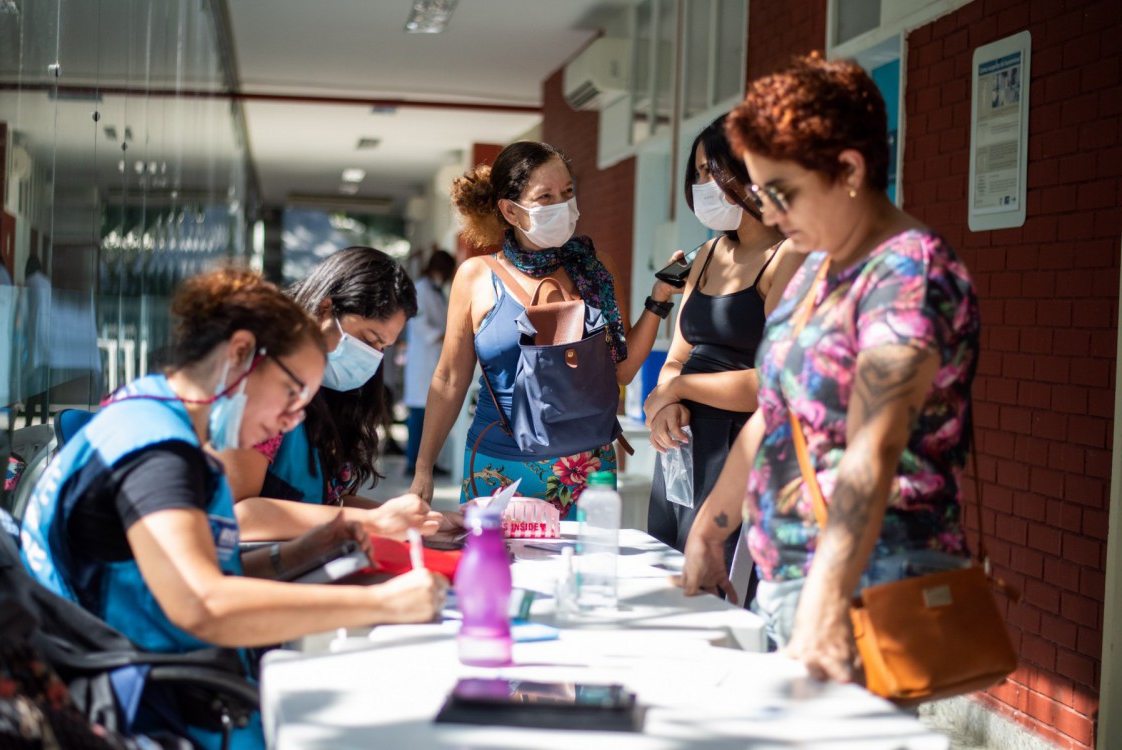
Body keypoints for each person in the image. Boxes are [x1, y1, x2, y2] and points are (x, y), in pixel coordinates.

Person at [20, 267, 446, 749]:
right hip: (149, 710)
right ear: (241, 353)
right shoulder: (153, 451)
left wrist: (307, 548)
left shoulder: (166, 428)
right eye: (290, 395)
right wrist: (383, 603)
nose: (290, 420)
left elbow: (211, 567)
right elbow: (203, 604)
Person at [679, 54, 980, 687]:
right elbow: (777, 410)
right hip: (798, 577)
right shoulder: (819, 269)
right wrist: (713, 523)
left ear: (848, 169)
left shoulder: (906, 274)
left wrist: (825, 599)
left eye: (782, 192)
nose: (771, 211)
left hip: (865, 586)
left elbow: (874, 450)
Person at [409, 141, 681, 515]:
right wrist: (423, 468)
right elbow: (450, 379)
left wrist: (659, 299)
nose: (562, 206)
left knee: (582, 571)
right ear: (511, 210)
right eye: (546, 197)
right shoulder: (475, 277)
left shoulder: (596, 269)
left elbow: (623, 369)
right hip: (497, 466)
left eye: (567, 193)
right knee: (494, 570)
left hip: (586, 469)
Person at [644, 114, 803, 554]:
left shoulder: (787, 256)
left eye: (712, 170)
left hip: (738, 449)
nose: (702, 183)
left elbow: (768, 385)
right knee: (669, 570)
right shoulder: (707, 253)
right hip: (682, 446)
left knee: (719, 581)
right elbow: (678, 353)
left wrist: (675, 388)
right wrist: (666, 406)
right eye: (697, 172)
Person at [221, 247, 446, 541]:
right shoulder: (259, 381)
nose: (372, 358)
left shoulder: (333, 392)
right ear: (325, 309)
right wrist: (375, 522)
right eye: (369, 339)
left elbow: (322, 504)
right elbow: (235, 514)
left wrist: (416, 526)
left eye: (383, 348)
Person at [403, 249, 456, 475]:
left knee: (431, 413)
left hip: (434, 359)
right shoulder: (421, 289)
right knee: (418, 413)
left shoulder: (436, 291)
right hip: (423, 360)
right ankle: (412, 462)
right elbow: (420, 325)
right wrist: (450, 336)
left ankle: (429, 462)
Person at [21, 253, 53, 426]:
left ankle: (28, 420)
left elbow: (25, 313)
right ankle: (44, 420)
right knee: (45, 384)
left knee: (32, 382)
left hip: (34, 337)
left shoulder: (29, 283)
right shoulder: (46, 282)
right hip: (47, 338)